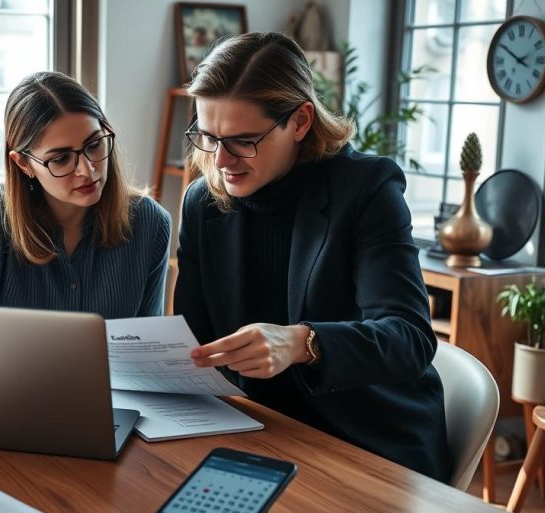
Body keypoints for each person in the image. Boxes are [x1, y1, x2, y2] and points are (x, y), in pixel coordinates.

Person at [174, 32, 452, 482]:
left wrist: (303, 343)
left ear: (300, 121)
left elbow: (409, 338)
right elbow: (196, 344)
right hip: (259, 434)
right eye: (208, 136)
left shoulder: (366, 191)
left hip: (364, 439)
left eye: (244, 140)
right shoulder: (202, 203)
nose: (221, 160)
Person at [0, 72, 171, 319]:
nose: (87, 169)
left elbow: (146, 340)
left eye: (94, 145)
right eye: (60, 159)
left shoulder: (150, 222)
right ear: (23, 164)